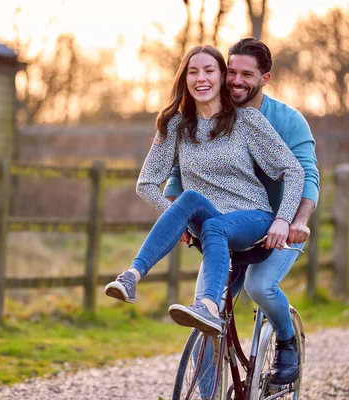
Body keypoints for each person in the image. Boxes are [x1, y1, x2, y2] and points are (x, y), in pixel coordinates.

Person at [104, 44, 304, 341]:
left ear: (222, 77)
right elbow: (145, 183)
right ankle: (132, 276)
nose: (201, 78)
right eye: (193, 72)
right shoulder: (176, 126)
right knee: (189, 200)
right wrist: (177, 218)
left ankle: (208, 306)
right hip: (210, 222)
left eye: (209, 71)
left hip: (253, 221)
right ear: (184, 79)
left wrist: (283, 219)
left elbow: (294, 170)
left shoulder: (246, 120)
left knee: (214, 225)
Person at [164, 37, 320, 385]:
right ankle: (207, 393)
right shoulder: (211, 113)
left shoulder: (288, 120)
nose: (236, 80)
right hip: (226, 227)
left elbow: (307, 174)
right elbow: (178, 168)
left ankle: (285, 340)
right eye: (230, 71)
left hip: (279, 228)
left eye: (246, 74)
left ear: (265, 78)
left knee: (260, 285)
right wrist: (178, 212)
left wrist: (297, 222)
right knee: (205, 309)